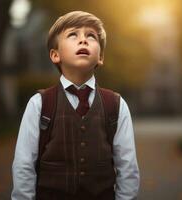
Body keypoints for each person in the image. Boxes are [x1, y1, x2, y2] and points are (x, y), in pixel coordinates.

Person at [12, 11, 139, 200]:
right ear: (55, 55)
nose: (83, 40)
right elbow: (24, 166)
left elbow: (127, 168)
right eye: (73, 35)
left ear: (101, 57)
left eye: (91, 36)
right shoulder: (39, 104)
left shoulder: (116, 105)